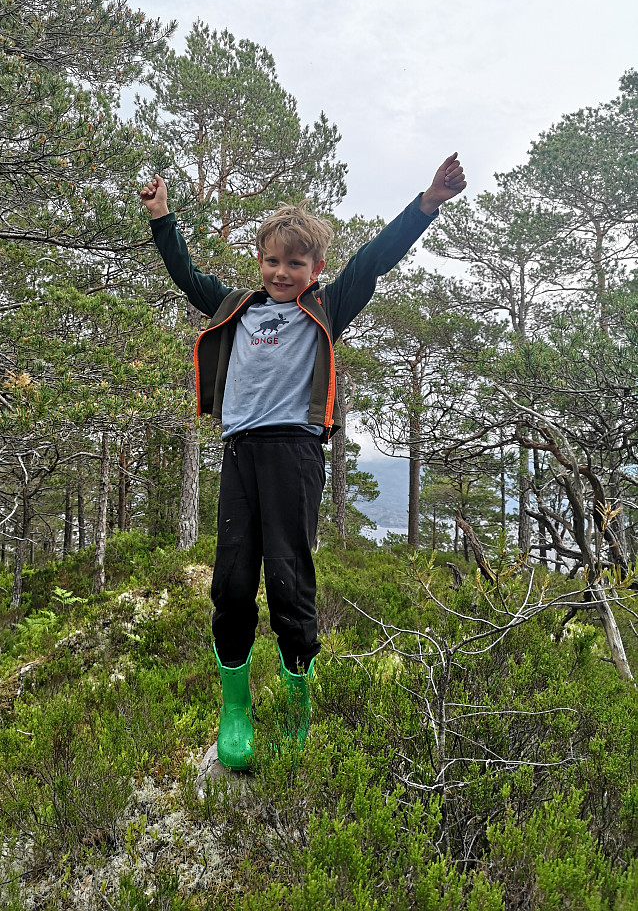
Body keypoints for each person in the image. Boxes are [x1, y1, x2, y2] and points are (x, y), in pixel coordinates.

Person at [140, 154, 466, 769]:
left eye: (295, 263)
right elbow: (185, 274)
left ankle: (296, 706)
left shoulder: (326, 308)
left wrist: (427, 204)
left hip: (294, 453)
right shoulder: (236, 306)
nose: (282, 272)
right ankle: (234, 709)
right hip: (238, 454)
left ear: (316, 268)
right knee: (232, 583)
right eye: (272, 260)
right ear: (259, 262)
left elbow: (373, 260)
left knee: (288, 582)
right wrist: (162, 216)